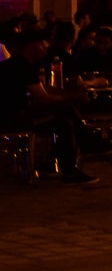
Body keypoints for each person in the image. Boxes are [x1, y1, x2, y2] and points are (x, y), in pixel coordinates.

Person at [0, 29, 97, 184]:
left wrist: (70, 94)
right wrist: (73, 96)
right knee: (64, 112)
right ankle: (83, 148)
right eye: (42, 44)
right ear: (31, 46)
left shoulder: (16, 64)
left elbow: (42, 89)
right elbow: (44, 98)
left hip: (13, 115)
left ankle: (61, 161)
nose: (46, 47)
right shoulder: (22, 66)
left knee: (64, 118)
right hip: (12, 120)